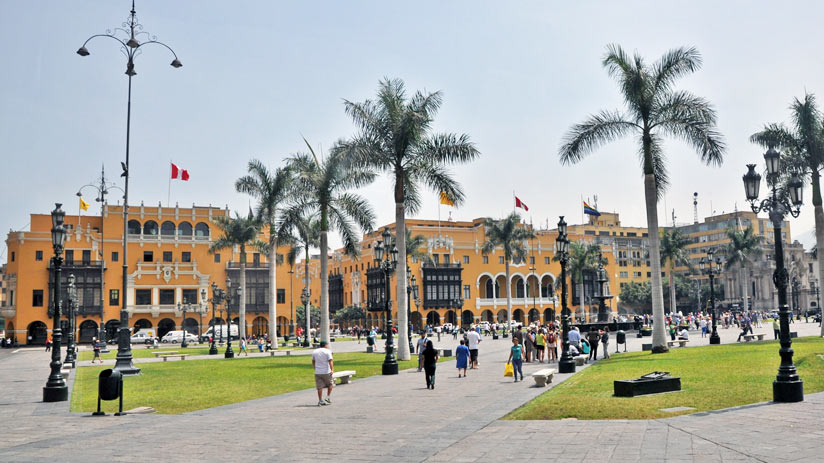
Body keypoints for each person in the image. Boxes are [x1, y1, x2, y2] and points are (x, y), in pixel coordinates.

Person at [312, 341, 334, 406]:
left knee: (319, 387)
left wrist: (315, 368)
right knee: (330, 384)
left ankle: (320, 400)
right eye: (327, 344)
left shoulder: (315, 351)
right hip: (326, 371)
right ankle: (328, 397)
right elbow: (330, 361)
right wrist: (332, 370)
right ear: (325, 345)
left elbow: (313, 361)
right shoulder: (328, 351)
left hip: (318, 372)